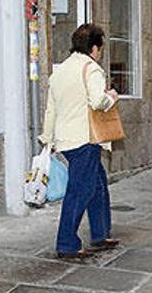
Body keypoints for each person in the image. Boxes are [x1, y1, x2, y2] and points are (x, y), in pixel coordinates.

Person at [39, 24, 120, 260]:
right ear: (94, 48)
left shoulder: (60, 71)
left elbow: (50, 110)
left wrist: (48, 138)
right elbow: (97, 101)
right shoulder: (91, 69)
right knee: (80, 191)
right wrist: (111, 97)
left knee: (97, 185)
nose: (100, 53)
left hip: (67, 139)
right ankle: (67, 243)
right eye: (100, 48)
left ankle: (100, 233)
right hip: (85, 138)